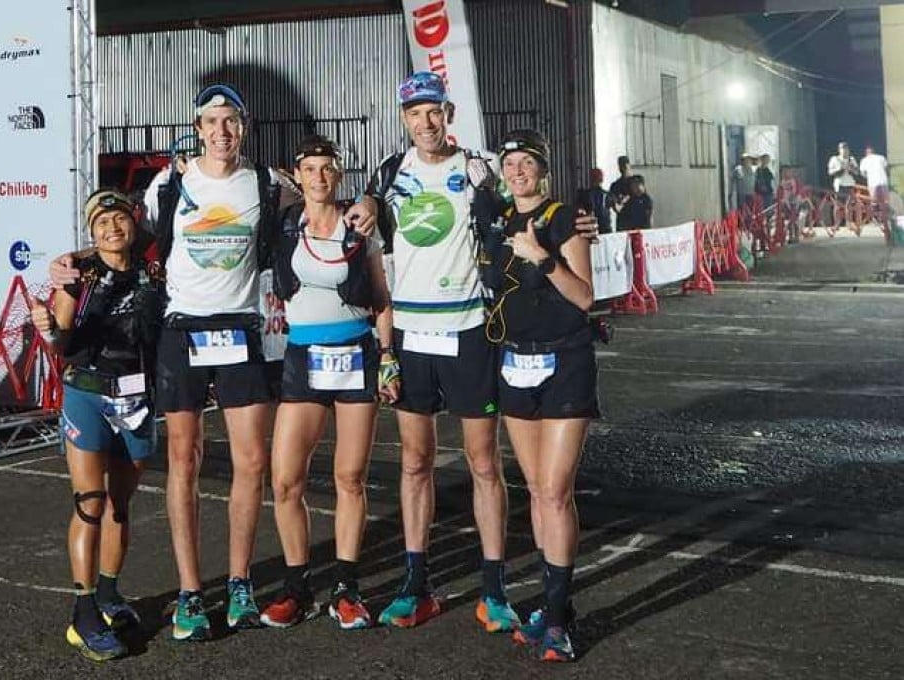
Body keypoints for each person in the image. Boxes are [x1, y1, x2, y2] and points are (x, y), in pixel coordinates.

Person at [48, 83, 379, 642]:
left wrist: (370, 203)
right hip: (182, 334)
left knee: (251, 464)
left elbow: (326, 202)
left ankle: (241, 582)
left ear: (243, 128)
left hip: (240, 333)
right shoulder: (171, 183)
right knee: (185, 463)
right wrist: (72, 260)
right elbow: (124, 235)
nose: (221, 131)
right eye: (211, 121)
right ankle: (189, 593)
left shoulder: (268, 184)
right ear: (197, 128)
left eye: (231, 121)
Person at [365, 71, 599, 634]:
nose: (425, 122)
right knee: (415, 463)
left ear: (448, 113)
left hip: (470, 331)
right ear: (403, 119)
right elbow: (373, 232)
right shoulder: (389, 174)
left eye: (434, 111)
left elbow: (525, 207)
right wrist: (387, 347)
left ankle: (493, 590)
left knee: (483, 464)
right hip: (413, 335)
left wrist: (576, 222)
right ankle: (416, 584)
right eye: (414, 113)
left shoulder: (477, 171)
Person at [258, 135, 398, 631]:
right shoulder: (285, 225)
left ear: (338, 175)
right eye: (310, 168)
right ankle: (297, 588)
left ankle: (346, 588)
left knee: (349, 478)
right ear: (298, 174)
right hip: (303, 356)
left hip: (357, 352)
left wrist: (387, 358)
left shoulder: (360, 225)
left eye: (327, 169)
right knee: (286, 479)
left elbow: (381, 297)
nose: (319, 177)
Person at [480, 129, 598, 662]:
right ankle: (555, 605)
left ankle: (556, 618)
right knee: (533, 488)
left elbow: (585, 297)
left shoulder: (562, 217)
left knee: (555, 490)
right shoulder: (498, 221)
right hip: (514, 363)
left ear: (543, 170)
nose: (518, 171)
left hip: (565, 362)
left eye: (528, 162)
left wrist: (543, 258)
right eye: (511, 163)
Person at [30, 189, 162, 662]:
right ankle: (82, 611)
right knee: (90, 502)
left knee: (121, 506)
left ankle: (108, 594)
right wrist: (46, 325)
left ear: (133, 221)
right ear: (90, 231)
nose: (111, 229)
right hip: (87, 393)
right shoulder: (77, 275)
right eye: (101, 222)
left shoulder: (153, 267)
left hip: (138, 398)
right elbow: (61, 341)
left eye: (118, 218)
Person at [577, 168, 611, 234]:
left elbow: (579, 211)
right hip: (606, 230)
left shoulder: (584, 195)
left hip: (590, 229)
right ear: (602, 179)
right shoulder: (607, 195)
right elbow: (618, 208)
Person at [608, 155, 633, 228]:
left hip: (636, 221)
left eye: (624, 165)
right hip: (623, 222)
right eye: (620, 165)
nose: (622, 168)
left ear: (628, 165)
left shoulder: (636, 182)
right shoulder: (615, 185)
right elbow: (615, 206)